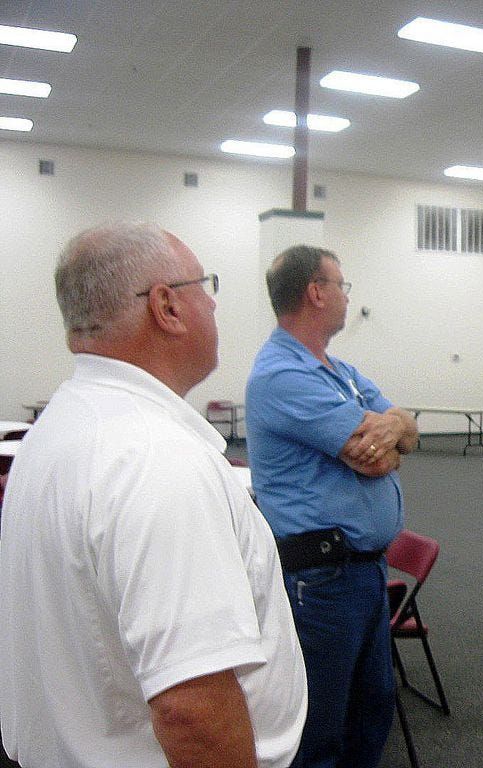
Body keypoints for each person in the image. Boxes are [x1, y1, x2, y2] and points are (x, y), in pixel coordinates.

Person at [0, 222, 306, 767]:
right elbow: (191, 710)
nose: (213, 303)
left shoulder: (61, 426)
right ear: (167, 307)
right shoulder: (157, 459)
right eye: (204, 285)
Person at [246, 245, 418, 768]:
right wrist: (391, 435)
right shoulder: (282, 375)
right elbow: (374, 460)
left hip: (363, 571)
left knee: (370, 713)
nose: (347, 297)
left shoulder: (337, 370)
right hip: (321, 578)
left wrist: (395, 427)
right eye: (342, 285)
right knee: (322, 729)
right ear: (316, 293)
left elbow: (408, 428)